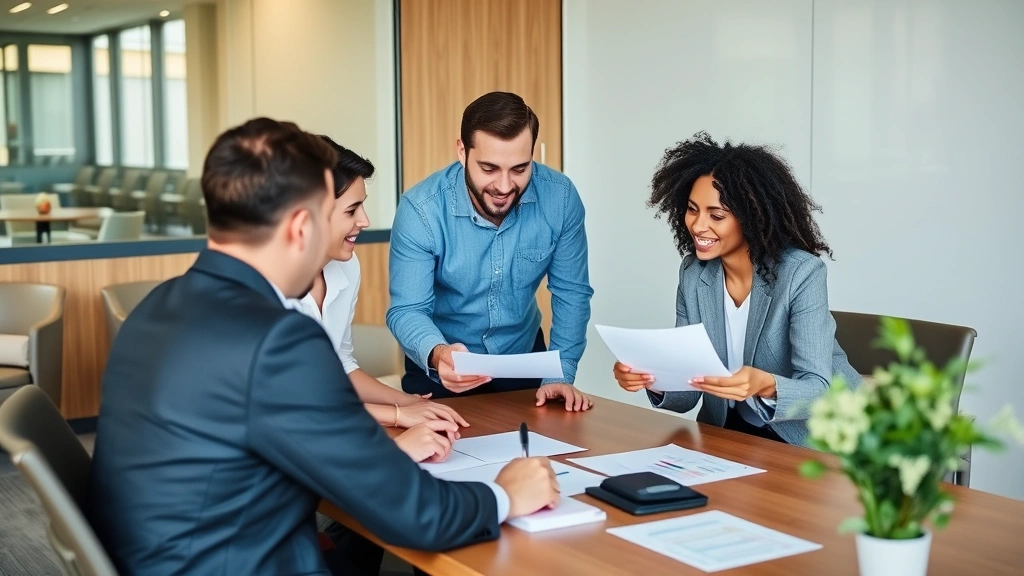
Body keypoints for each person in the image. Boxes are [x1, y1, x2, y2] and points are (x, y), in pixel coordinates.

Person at [87, 117, 560, 576]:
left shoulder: (159, 306)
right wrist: (505, 494)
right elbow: (417, 515)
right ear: (300, 226)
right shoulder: (276, 340)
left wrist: (381, 453)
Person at [613, 131, 860, 446]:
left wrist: (765, 385)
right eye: (692, 209)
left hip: (809, 441)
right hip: (730, 436)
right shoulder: (694, 274)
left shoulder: (801, 274)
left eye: (716, 215)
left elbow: (819, 389)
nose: (698, 225)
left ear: (752, 218)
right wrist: (653, 380)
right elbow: (688, 390)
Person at [387, 91, 595, 411]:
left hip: (525, 362)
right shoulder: (421, 210)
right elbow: (407, 309)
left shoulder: (561, 198)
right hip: (441, 367)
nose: (504, 185)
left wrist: (561, 374)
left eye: (520, 168)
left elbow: (572, 294)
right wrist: (439, 353)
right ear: (462, 151)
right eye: (488, 168)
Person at [289, 135, 469, 435]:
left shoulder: (347, 267)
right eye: (351, 210)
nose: (365, 220)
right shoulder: (270, 287)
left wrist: (410, 403)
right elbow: (297, 398)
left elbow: (340, 366)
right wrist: (396, 415)